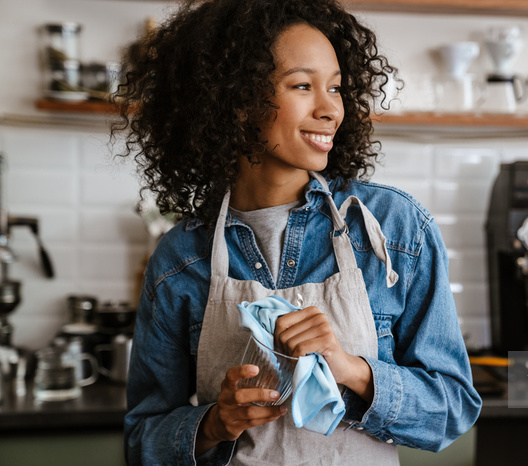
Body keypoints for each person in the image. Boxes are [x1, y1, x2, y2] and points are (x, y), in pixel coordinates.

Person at [114, 0, 482, 464]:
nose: (331, 110)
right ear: (238, 100)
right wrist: (214, 423)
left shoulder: (393, 230)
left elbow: (453, 409)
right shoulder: (183, 258)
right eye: (303, 86)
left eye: (335, 88)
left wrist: (352, 370)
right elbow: (142, 440)